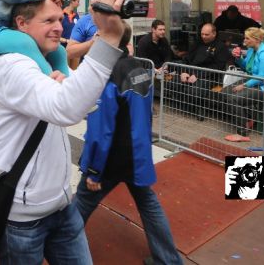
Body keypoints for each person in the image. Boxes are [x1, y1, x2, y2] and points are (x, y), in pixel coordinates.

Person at [0, 0, 126, 264]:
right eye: (48, 20)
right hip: (23, 218)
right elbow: (68, 108)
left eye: (60, 20)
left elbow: (89, 103)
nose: (59, 28)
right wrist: (109, 39)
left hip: (62, 206)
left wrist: (67, 89)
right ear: (21, 23)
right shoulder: (13, 66)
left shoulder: (51, 60)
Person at [76, 25, 183, 265]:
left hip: (110, 158)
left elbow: (101, 129)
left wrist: (93, 169)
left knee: (78, 209)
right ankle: (168, 260)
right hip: (137, 154)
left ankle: (64, 255)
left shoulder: (106, 74)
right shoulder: (139, 68)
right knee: (149, 205)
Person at [225, 27, 264, 142]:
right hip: (257, 81)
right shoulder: (251, 50)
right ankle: (248, 119)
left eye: (247, 38)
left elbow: (262, 76)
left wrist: (244, 85)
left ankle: (242, 133)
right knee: (226, 92)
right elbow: (247, 67)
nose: (244, 41)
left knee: (234, 98)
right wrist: (238, 58)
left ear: (257, 40)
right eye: (245, 38)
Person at [175, 23, 233, 120]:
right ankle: (186, 106)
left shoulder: (221, 47)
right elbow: (187, 58)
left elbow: (217, 67)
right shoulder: (197, 43)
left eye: (207, 34)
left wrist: (198, 75)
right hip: (191, 71)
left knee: (194, 90)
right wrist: (184, 72)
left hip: (210, 76)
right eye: (202, 34)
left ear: (214, 34)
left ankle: (199, 109)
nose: (204, 37)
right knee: (174, 82)